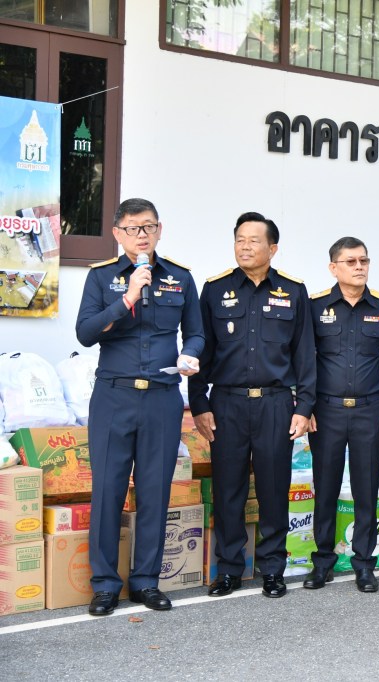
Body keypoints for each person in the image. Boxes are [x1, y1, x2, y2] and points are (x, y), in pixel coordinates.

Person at [76, 198, 203, 616]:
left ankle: (146, 581)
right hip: (114, 397)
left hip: (163, 398)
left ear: (159, 230)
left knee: (154, 491)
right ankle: (104, 585)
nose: (141, 235)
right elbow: (85, 333)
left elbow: (197, 333)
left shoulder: (180, 278)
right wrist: (128, 297)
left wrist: (190, 355)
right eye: (132, 228)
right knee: (108, 491)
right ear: (117, 234)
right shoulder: (101, 277)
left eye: (148, 226)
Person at [189, 212, 316, 599]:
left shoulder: (293, 291)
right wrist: (199, 403)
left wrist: (304, 406)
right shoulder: (215, 289)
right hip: (226, 403)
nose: (244, 247)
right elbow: (200, 348)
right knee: (228, 489)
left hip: (276, 404)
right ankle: (229, 569)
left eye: (253, 241)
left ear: (272, 248)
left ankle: (273, 568)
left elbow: (305, 354)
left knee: (274, 489)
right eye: (239, 240)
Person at [302, 237, 379, 593]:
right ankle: (323, 562)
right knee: (325, 488)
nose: (359, 267)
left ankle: (364, 564)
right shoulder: (315, 307)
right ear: (334, 268)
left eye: (364, 260)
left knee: (366, 489)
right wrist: (305, 407)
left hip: (369, 412)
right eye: (350, 261)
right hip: (326, 411)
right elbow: (303, 360)